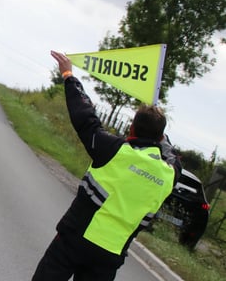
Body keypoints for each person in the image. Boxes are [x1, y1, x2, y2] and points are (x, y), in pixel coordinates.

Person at [31, 51, 182, 281]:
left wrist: (69, 75)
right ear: (160, 137)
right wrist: (162, 138)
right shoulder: (169, 174)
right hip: (109, 255)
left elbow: (85, 116)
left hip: (74, 239)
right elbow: (174, 158)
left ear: (132, 128)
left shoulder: (114, 150)